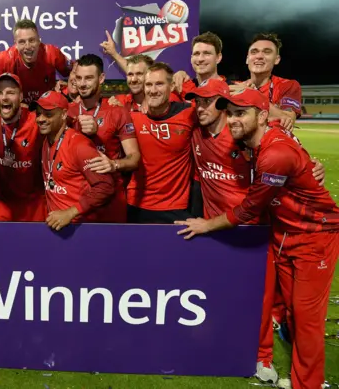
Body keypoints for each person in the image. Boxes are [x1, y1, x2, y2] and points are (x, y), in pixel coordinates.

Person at [176, 87, 339, 389]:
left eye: (241, 113)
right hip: (283, 234)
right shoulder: (260, 140)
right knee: (291, 312)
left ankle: (309, 384)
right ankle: (299, 376)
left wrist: (206, 225)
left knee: (306, 320)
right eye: (232, 113)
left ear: (262, 116)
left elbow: (251, 207)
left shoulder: (274, 153)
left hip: (314, 236)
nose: (234, 120)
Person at [66, 53, 141, 222]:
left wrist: (113, 164)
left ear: (101, 78)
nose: (82, 84)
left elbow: (134, 158)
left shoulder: (117, 111)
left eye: (89, 78)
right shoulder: (67, 112)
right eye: (79, 78)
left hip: (111, 204)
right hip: (76, 203)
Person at [34, 90, 116, 230]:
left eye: (48, 114)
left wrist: (70, 213)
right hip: (58, 227)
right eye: (38, 113)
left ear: (64, 114)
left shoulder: (79, 146)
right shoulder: (46, 141)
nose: (40, 119)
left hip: (80, 228)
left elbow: (105, 186)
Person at [127, 63, 197, 223]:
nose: (153, 90)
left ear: (172, 86)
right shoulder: (133, 117)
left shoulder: (188, 114)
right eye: (149, 84)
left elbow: (211, 105)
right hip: (136, 205)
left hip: (175, 208)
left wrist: (185, 83)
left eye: (159, 84)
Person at [0, 72, 46, 221]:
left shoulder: (37, 121)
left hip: (34, 206)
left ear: (21, 96)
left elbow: (65, 120)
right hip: (3, 206)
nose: (4, 97)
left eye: (10, 92)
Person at [0, 19, 73, 103]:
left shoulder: (51, 53)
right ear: (15, 44)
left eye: (32, 40)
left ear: (39, 41)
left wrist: (68, 87)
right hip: (18, 108)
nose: (28, 46)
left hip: (46, 106)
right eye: (22, 42)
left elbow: (75, 70)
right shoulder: (4, 59)